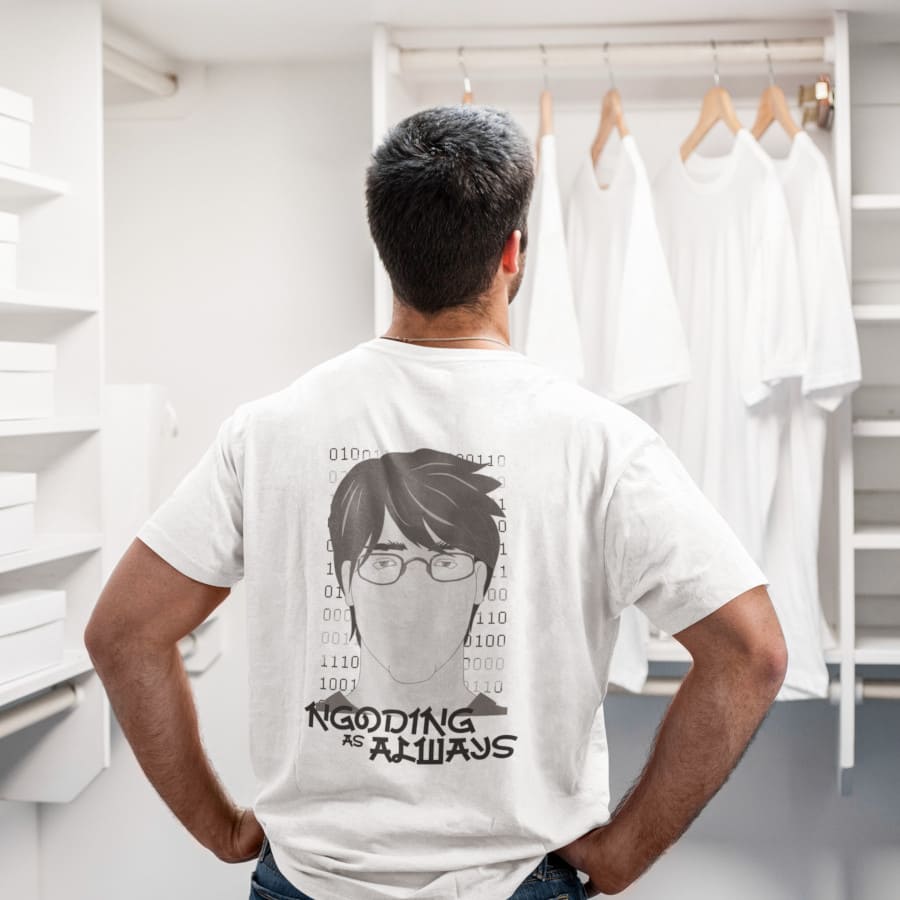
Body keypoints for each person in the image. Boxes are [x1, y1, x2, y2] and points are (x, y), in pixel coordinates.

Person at [85, 104, 788, 900]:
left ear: (386, 248)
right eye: (385, 562)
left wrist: (220, 829)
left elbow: (123, 632)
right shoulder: (600, 443)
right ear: (513, 253)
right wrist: (622, 854)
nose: (414, 589)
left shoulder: (270, 432)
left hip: (308, 882)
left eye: (446, 563)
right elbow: (753, 652)